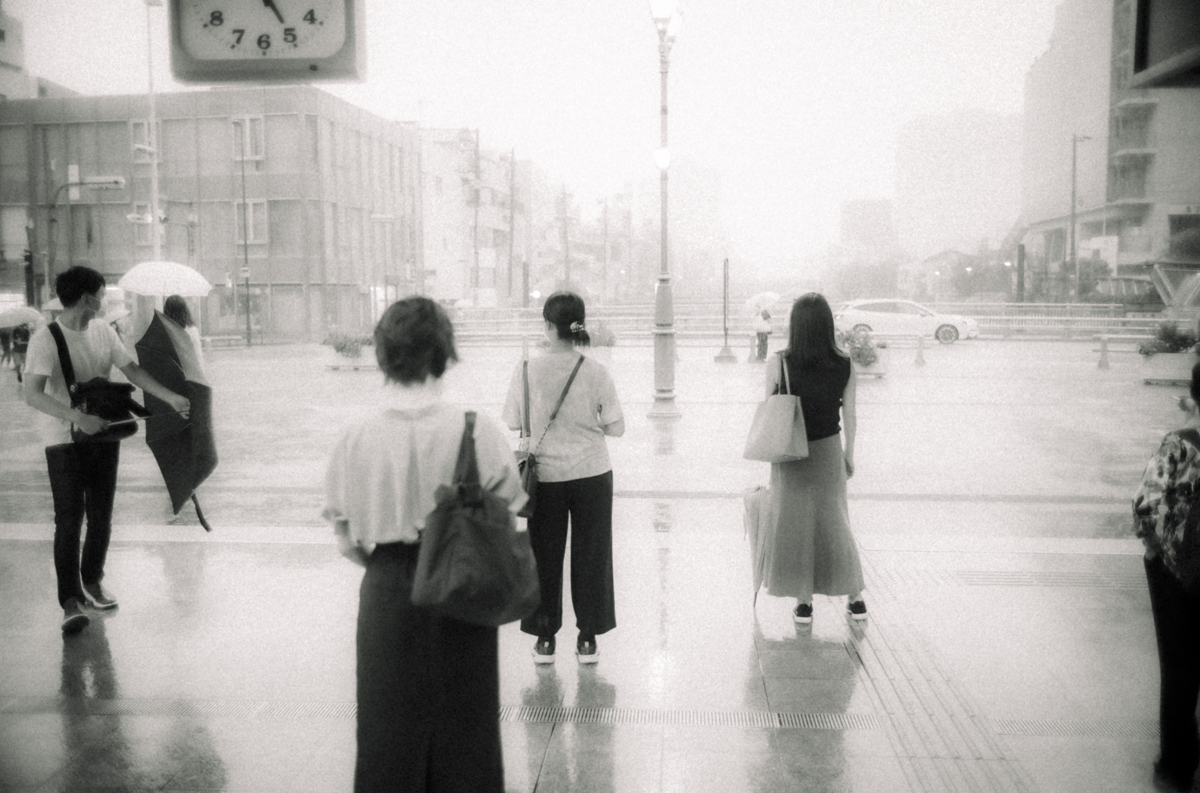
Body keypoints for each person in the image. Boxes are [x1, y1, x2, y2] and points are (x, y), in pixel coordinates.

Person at [323, 297, 525, 793]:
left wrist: (391, 561)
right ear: (444, 351)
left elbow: (346, 540)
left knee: (387, 732)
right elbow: (512, 511)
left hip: (388, 587)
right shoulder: (478, 430)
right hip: (464, 587)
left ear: (383, 353)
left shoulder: (355, 435)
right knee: (466, 731)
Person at [23, 266, 191, 635]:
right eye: (102, 294)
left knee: (101, 515)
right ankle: (71, 601)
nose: (105, 300)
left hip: (104, 434)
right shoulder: (45, 339)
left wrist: (169, 397)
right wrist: (75, 418)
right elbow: (30, 392)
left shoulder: (102, 331)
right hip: (63, 439)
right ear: (87, 298)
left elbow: (131, 371)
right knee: (69, 520)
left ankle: (93, 581)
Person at [502, 291, 625, 664]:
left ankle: (544, 639)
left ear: (548, 326)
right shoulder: (596, 371)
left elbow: (512, 422)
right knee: (592, 555)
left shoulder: (526, 369)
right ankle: (587, 638)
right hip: (592, 475)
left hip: (545, 479)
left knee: (543, 555)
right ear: (578, 326)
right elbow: (617, 428)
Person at [763, 293, 866, 624]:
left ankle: (804, 603)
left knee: (795, 526)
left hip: (790, 454)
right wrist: (849, 453)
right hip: (828, 450)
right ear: (827, 324)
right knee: (835, 523)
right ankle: (856, 598)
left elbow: (771, 410)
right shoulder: (844, 363)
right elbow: (849, 412)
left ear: (795, 325)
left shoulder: (778, 361)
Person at [1133, 361, 1200, 793]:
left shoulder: (1179, 444)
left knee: (1179, 668)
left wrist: (1156, 547)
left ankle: (1176, 767)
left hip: (1179, 571)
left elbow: (1145, 505)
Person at [163, 294, 205, 371]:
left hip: (169, 373)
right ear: (184, 310)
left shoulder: (163, 329)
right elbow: (198, 356)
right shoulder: (192, 330)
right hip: (188, 373)